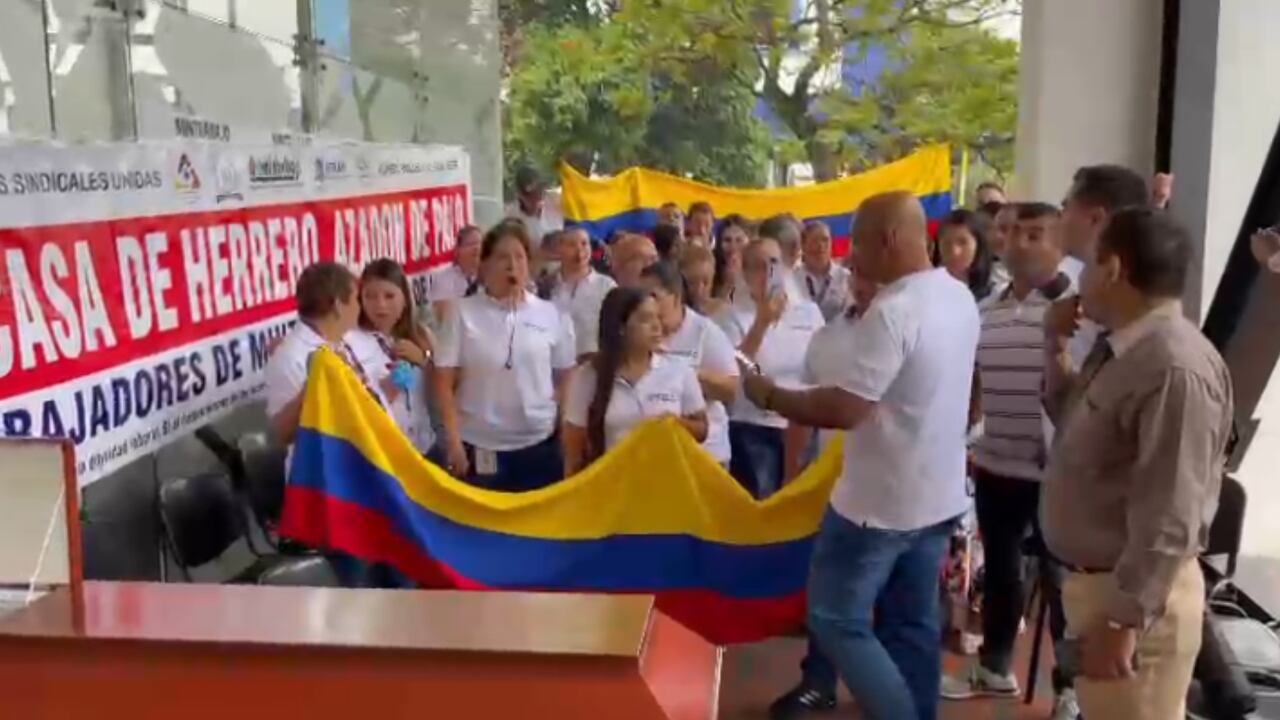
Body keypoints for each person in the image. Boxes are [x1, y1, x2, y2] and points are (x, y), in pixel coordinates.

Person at [739, 192, 979, 720]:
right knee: (912, 622)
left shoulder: (893, 312)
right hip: (937, 496)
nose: (849, 256)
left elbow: (846, 408)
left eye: (858, 240)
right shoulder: (956, 295)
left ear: (889, 240)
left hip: (877, 505)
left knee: (834, 617)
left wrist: (769, 395)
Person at [1041, 207, 1233, 720]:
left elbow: (1173, 509)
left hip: (1131, 601)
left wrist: (1125, 621)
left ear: (1113, 269)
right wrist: (1055, 346)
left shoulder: (1173, 366)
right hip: (1102, 591)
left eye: (1087, 262)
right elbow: (1073, 430)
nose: (1078, 278)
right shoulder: (1125, 350)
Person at [939, 202, 1079, 718]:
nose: (1019, 242)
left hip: (1058, 472)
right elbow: (974, 384)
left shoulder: (1078, 308)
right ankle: (995, 666)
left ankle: (1070, 686)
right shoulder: (986, 310)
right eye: (1014, 232)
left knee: (1061, 582)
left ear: (1060, 244)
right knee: (1001, 573)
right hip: (998, 463)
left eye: (1035, 234)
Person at [769, 265, 880, 720]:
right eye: (859, 268)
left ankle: (887, 692)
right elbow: (802, 408)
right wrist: (793, 473)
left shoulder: (916, 326)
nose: (866, 278)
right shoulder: (827, 337)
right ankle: (818, 681)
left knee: (895, 599)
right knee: (828, 588)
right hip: (834, 482)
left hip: (901, 488)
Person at [433, 221, 576, 492]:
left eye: (520, 257)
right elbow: (443, 381)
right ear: (484, 265)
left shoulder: (552, 314)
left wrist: (562, 427)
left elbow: (566, 375)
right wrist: (452, 440)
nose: (512, 265)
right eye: (502, 257)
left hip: (539, 444)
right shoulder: (461, 313)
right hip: (480, 444)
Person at [713, 234, 824, 499]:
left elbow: (824, 360)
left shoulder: (808, 312)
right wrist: (761, 324)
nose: (767, 271)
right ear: (745, 271)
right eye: (757, 265)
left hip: (804, 425)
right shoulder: (729, 316)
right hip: (754, 429)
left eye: (773, 262)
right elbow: (734, 368)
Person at [562, 287, 708, 474]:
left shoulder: (678, 369)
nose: (657, 326)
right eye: (645, 319)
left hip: (666, 483)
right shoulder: (589, 376)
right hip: (613, 487)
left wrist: (676, 423)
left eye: (657, 317)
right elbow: (574, 449)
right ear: (621, 327)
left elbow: (702, 430)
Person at [1045, 165, 1151, 410]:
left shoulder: (1127, 299)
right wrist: (1055, 347)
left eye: (1065, 208)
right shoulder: (1081, 285)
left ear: (1095, 219)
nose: (1059, 219)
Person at [640, 262, 740, 468]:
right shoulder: (638, 332)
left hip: (706, 454)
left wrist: (684, 373)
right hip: (657, 455)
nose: (646, 303)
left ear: (675, 297)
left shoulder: (704, 332)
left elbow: (731, 389)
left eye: (653, 296)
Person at [353, 259, 438, 458]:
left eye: (389, 296)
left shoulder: (421, 335)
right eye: (370, 297)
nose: (380, 305)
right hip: (384, 455)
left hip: (424, 447)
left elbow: (445, 391)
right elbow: (352, 408)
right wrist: (385, 391)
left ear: (405, 298)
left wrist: (424, 360)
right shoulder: (351, 342)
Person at [548, 227, 616, 361]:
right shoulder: (547, 286)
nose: (579, 250)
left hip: (595, 363)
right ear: (559, 249)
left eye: (584, 243)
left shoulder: (606, 285)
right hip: (557, 364)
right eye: (572, 245)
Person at [427, 225, 483, 324]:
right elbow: (442, 317)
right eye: (471, 244)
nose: (477, 248)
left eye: (480, 244)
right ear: (458, 250)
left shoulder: (491, 277)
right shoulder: (444, 280)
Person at [798, 220, 852, 322]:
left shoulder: (845, 277)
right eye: (815, 241)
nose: (821, 246)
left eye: (825, 240)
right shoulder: (793, 279)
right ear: (803, 245)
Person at [505, 166, 564, 240]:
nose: (536, 199)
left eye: (539, 192)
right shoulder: (512, 215)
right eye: (530, 196)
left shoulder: (556, 198)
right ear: (520, 195)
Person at [712, 214, 753, 303]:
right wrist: (728, 284)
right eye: (727, 240)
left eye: (739, 240)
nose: (733, 247)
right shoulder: (712, 271)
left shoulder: (758, 273)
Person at [679, 244, 727, 318]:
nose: (699, 290)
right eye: (692, 283)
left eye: (705, 282)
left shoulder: (726, 313)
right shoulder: (674, 316)